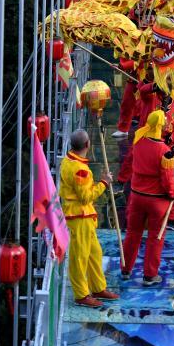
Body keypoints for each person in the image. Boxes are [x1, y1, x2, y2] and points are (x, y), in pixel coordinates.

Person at [59, 129, 120, 307]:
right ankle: (81, 294)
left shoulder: (67, 160)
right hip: (79, 216)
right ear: (87, 145)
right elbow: (86, 197)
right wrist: (103, 183)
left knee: (94, 253)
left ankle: (98, 287)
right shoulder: (80, 170)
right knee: (80, 256)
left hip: (81, 215)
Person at [120, 110, 174, 285]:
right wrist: (173, 193)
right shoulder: (164, 151)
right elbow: (167, 179)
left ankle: (126, 269)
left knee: (132, 234)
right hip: (156, 200)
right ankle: (150, 275)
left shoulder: (138, 141)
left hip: (136, 197)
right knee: (155, 237)